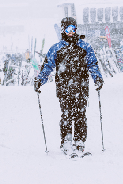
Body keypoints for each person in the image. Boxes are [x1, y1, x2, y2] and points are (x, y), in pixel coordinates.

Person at [34, 17, 104, 155]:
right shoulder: (57, 48)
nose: (71, 32)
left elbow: (92, 64)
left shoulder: (84, 47)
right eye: (68, 29)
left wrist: (97, 78)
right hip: (64, 87)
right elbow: (47, 66)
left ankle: (80, 141)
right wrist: (39, 81)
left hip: (81, 86)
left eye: (73, 29)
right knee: (67, 114)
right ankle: (66, 141)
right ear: (63, 30)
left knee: (80, 114)